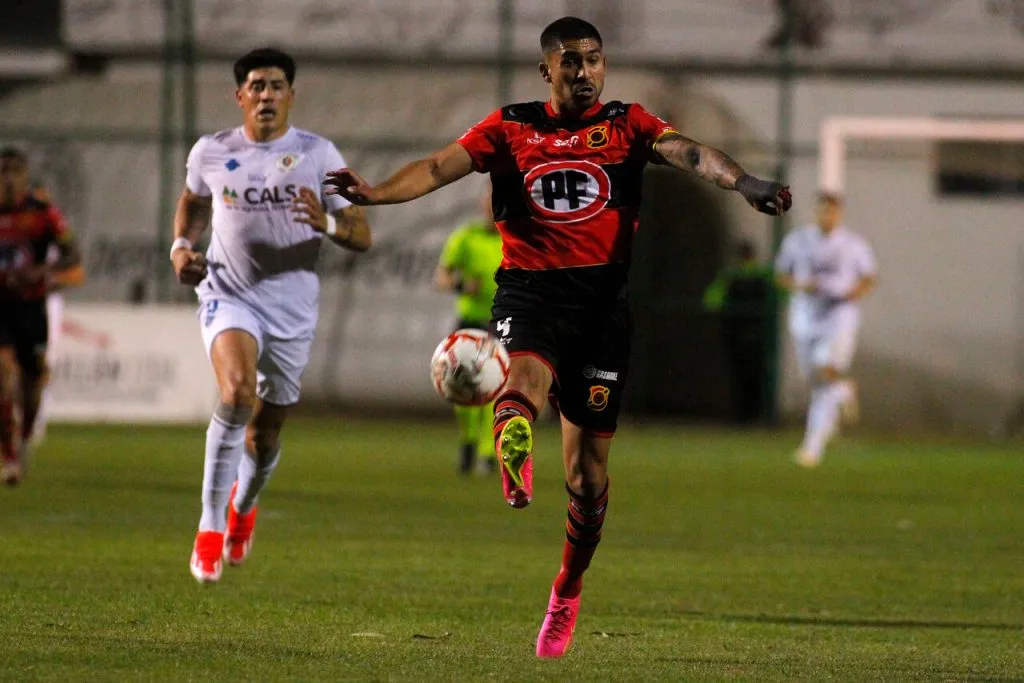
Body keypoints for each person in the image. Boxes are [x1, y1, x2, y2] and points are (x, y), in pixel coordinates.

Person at [324, 17, 790, 658]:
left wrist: (745, 183)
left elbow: (690, 153)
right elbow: (437, 167)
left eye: (593, 59)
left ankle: (566, 589)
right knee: (524, 380)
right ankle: (512, 431)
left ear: (603, 66)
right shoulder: (509, 126)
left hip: (603, 307)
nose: (582, 71)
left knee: (588, 475)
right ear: (547, 70)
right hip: (530, 293)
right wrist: (375, 193)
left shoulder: (628, 125)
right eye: (569, 61)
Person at [170, 48, 372, 584]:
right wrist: (179, 248)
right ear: (240, 96)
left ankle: (243, 505)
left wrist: (327, 225)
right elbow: (192, 204)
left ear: (291, 95)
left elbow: (361, 233)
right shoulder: (211, 151)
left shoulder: (318, 153)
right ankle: (210, 527)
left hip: (291, 308)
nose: (266, 95)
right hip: (227, 292)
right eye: (256, 86)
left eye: (276, 86)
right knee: (237, 393)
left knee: (264, 436)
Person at [0, 149, 84, 485]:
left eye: (14, 172)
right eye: (3, 171)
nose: (8, 179)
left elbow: (72, 256)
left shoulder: (42, 214)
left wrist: (40, 272)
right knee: (3, 376)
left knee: (33, 380)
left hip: (31, 308)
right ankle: (9, 455)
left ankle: (25, 433)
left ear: (24, 176)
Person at [775, 192, 876, 468]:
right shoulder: (798, 241)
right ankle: (843, 390)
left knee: (824, 374)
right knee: (815, 378)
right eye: (822, 211)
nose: (826, 217)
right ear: (815, 213)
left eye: (831, 212)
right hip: (806, 318)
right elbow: (781, 275)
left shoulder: (853, 244)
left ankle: (813, 447)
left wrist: (855, 292)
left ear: (838, 214)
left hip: (839, 317)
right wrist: (800, 285)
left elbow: (869, 277)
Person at [434, 191, 503, 475]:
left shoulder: (517, 239)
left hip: (501, 322)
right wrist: (462, 285)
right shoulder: (466, 237)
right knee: (461, 386)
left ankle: (488, 453)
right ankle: (469, 440)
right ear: (483, 203)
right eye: (490, 198)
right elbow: (442, 277)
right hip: (469, 324)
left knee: (494, 387)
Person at [702, 239, 776, 424]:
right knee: (755, 375)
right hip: (757, 334)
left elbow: (711, 301)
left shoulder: (732, 275)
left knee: (740, 375)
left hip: (738, 333)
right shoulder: (762, 274)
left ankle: (742, 416)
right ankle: (755, 415)